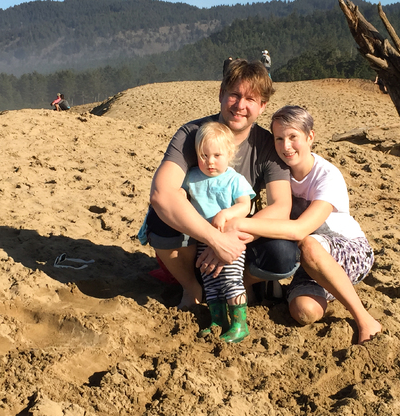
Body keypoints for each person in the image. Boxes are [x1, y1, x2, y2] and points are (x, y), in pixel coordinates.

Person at [138, 59, 298, 310]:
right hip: (192, 246)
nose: (240, 105)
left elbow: (281, 207)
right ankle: (192, 287)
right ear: (221, 94)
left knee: (283, 253)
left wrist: (230, 236)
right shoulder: (192, 134)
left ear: (262, 106)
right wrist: (213, 239)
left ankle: (242, 283)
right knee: (159, 217)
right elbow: (161, 193)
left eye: (251, 99)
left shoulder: (267, 145)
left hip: (238, 243)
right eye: (234, 95)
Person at [225, 106, 382, 344]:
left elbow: (300, 229)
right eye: (279, 139)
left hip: (348, 250)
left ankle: (364, 319)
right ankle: (314, 286)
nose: (286, 146)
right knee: (304, 312)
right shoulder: (279, 173)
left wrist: (241, 225)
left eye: (293, 137)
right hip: (306, 260)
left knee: (307, 244)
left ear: (310, 137)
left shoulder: (327, 176)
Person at [183, 121, 255, 342]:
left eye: (217, 155)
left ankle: (240, 324)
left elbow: (245, 205)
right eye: (204, 156)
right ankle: (218, 320)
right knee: (211, 282)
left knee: (231, 280)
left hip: (230, 239)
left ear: (229, 154)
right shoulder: (192, 177)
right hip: (203, 240)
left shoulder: (234, 179)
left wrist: (226, 213)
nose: (210, 162)